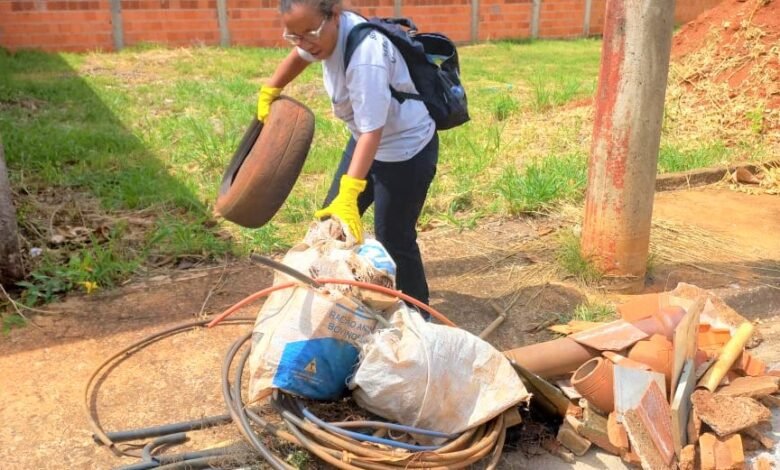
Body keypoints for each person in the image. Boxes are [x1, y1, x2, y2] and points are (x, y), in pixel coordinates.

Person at [257, 0, 438, 307]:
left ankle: (418, 313)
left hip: (405, 150)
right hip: (366, 141)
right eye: (294, 35)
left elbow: (373, 132)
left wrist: (350, 191)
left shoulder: (366, 57)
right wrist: (270, 88)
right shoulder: (318, 33)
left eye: (309, 33)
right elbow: (299, 55)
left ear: (335, 15)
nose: (304, 43)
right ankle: (337, 301)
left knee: (394, 237)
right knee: (331, 223)